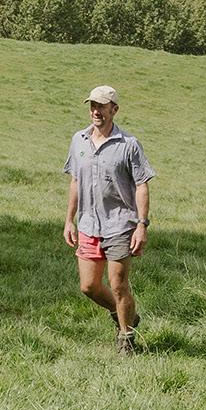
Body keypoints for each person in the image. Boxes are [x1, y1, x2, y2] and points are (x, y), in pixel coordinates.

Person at [63, 83, 154, 354]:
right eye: (93, 106)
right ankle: (126, 315)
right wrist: (69, 220)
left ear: (114, 109)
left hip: (120, 224)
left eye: (101, 106)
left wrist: (142, 225)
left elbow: (142, 185)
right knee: (89, 286)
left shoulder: (129, 145)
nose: (96, 111)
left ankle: (126, 339)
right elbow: (75, 182)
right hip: (88, 224)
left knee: (118, 286)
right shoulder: (79, 140)